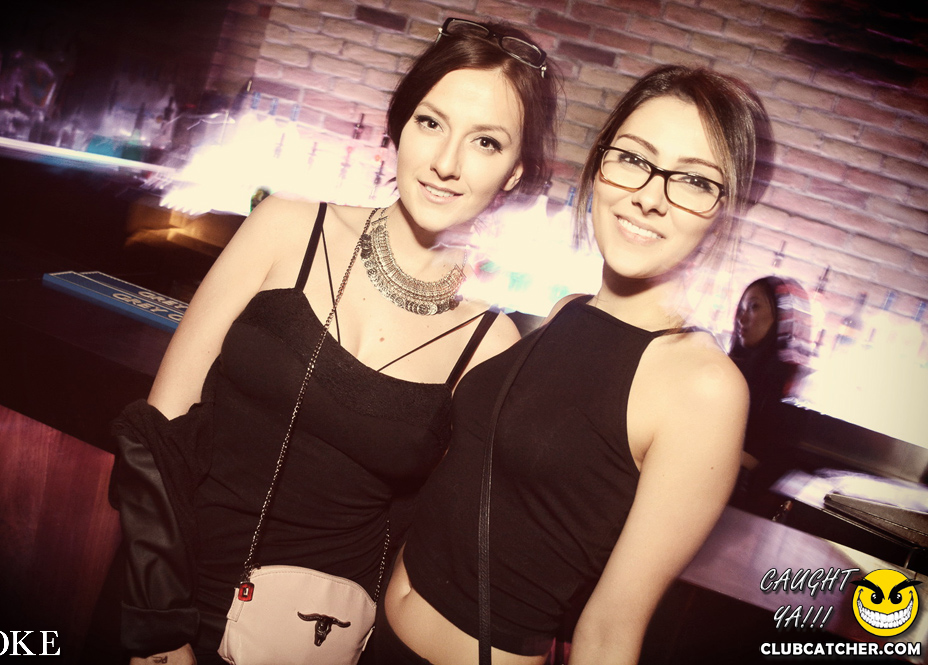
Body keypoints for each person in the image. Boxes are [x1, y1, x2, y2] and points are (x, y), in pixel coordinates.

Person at [110, 17, 560, 665]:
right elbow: (159, 429)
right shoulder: (285, 228)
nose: (446, 163)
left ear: (513, 172)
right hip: (171, 600)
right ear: (401, 123)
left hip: (313, 637)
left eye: (485, 142)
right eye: (431, 122)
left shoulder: (491, 343)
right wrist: (159, 628)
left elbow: (437, 539)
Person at [379, 65, 771, 665]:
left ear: (725, 210)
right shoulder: (569, 311)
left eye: (694, 181)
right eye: (634, 159)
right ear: (600, 162)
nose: (649, 196)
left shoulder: (703, 387)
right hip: (376, 638)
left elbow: (609, 633)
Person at [728, 276, 811, 516]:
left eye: (754, 307)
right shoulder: (732, 367)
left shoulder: (791, 387)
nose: (742, 318)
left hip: (741, 504)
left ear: (782, 318)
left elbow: (773, 462)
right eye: (741, 309)